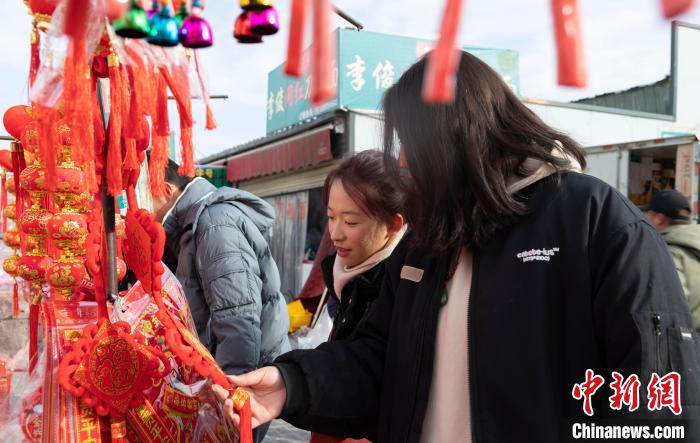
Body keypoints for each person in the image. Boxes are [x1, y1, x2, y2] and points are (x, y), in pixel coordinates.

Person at [213, 52, 700, 442]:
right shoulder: (427, 244)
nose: (403, 161)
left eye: (410, 141)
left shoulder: (595, 224)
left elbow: (660, 403)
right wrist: (291, 384)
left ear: (459, 137)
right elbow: (378, 359)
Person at [152, 158, 290, 442]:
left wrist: (229, 408)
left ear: (165, 190)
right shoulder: (188, 227)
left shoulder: (214, 223)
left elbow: (238, 320)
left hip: (237, 386)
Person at [311, 150, 406, 443]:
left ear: (393, 225)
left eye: (350, 222)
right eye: (331, 217)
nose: (336, 233)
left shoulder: (403, 286)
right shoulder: (344, 274)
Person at [642, 189, 700, 332]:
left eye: (647, 214)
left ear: (659, 219)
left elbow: (673, 305)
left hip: (691, 342)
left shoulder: (670, 253)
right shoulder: (694, 242)